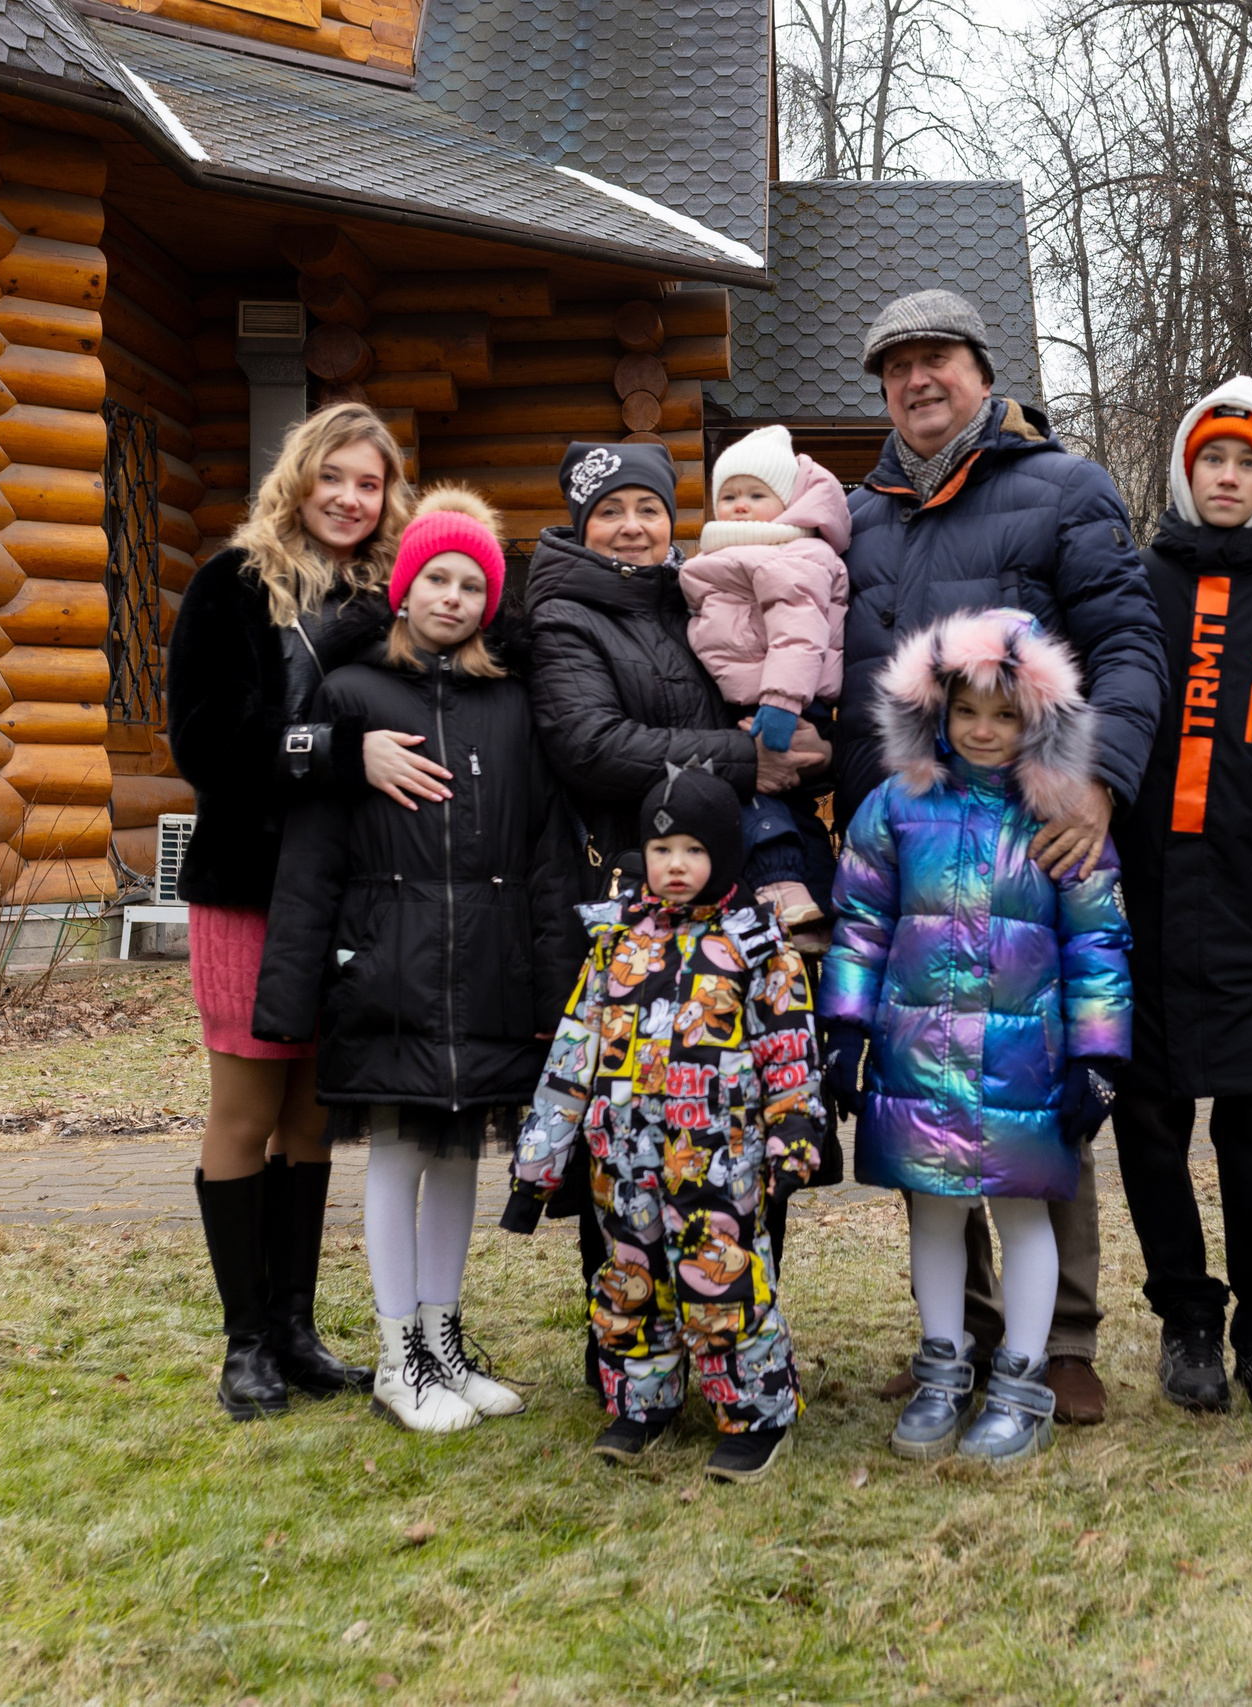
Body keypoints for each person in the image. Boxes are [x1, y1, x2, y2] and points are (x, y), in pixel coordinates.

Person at [834, 289, 1166, 1426]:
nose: (917, 382)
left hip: (1036, 840)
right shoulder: (866, 515)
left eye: (937, 361)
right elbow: (851, 684)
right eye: (895, 368)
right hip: (920, 849)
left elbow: (1126, 642)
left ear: (984, 372)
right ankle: (958, 1341)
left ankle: (1058, 1343)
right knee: (931, 1102)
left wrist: (1098, 779)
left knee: (1034, 1101)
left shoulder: (1062, 489)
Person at [253, 487, 575, 1434]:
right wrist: (293, 989)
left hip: (489, 971)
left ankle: (443, 1340)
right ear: (402, 587)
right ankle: (398, 1354)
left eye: (473, 584)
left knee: (462, 1153)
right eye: (435, 576)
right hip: (384, 969)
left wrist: (556, 987)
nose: (452, 596)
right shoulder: (354, 696)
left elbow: (546, 857)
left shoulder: (511, 704)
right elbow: (311, 859)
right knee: (397, 1152)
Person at [166, 401, 456, 1419]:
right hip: (247, 888)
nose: (348, 497)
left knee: (310, 1118)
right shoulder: (234, 585)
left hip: (345, 894)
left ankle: (295, 1328)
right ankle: (243, 1343)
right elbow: (204, 743)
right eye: (333, 475)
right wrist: (335, 754)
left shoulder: (389, 604)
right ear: (299, 478)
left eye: (368, 483)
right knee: (246, 1110)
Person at [526, 441, 838, 1308]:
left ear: (674, 517)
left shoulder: (703, 589)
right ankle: (629, 1337)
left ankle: (738, 1322)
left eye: (649, 509)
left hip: (731, 905)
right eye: (610, 512)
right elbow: (593, 747)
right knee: (627, 1118)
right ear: (584, 525)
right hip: (630, 901)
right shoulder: (564, 617)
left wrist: (809, 748)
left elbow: (773, 686)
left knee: (738, 1112)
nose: (632, 527)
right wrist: (747, 759)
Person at [824, 610, 1131, 1467]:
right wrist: (844, 1026)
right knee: (935, 1209)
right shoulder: (896, 805)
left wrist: (1100, 1054)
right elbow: (859, 922)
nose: (985, 731)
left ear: (1036, 716)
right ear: (938, 712)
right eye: (968, 712)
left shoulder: (1062, 812)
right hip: (917, 1054)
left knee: (1025, 1211)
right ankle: (943, 1364)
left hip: (1024, 1058)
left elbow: (1098, 943)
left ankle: (1024, 1376)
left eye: (1004, 713)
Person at [1110, 378, 1252, 1431]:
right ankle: (1186, 1322)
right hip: (1146, 915)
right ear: (1182, 468)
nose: (1227, 476)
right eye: (1212, 459)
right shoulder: (1132, 581)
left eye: (1248, 464)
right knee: (1151, 1124)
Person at [510, 764, 825, 1484]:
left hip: (719, 1160)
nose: (675, 865)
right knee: (629, 1279)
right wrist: (538, 1164)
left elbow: (790, 1051)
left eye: (692, 849)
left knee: (722, 1282)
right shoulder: (616, 944)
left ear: (724, 855)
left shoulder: (757, 946)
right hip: (622, 1157)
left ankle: (754, 1412)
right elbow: (573, 1053)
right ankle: (643, 1400)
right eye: (660, 850)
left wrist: (795, 1134)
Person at [679, 424, 851, 928]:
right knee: (796, 810)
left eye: (756, 494)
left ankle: (780, 889)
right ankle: (814, 905)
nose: (739, 505)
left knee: (750, 789)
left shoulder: (789, 554)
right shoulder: (738, 554)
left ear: (789, 503)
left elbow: (799, 632)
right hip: (762, 690)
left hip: (777, 699)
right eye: (728, 495)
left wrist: (780, 703)